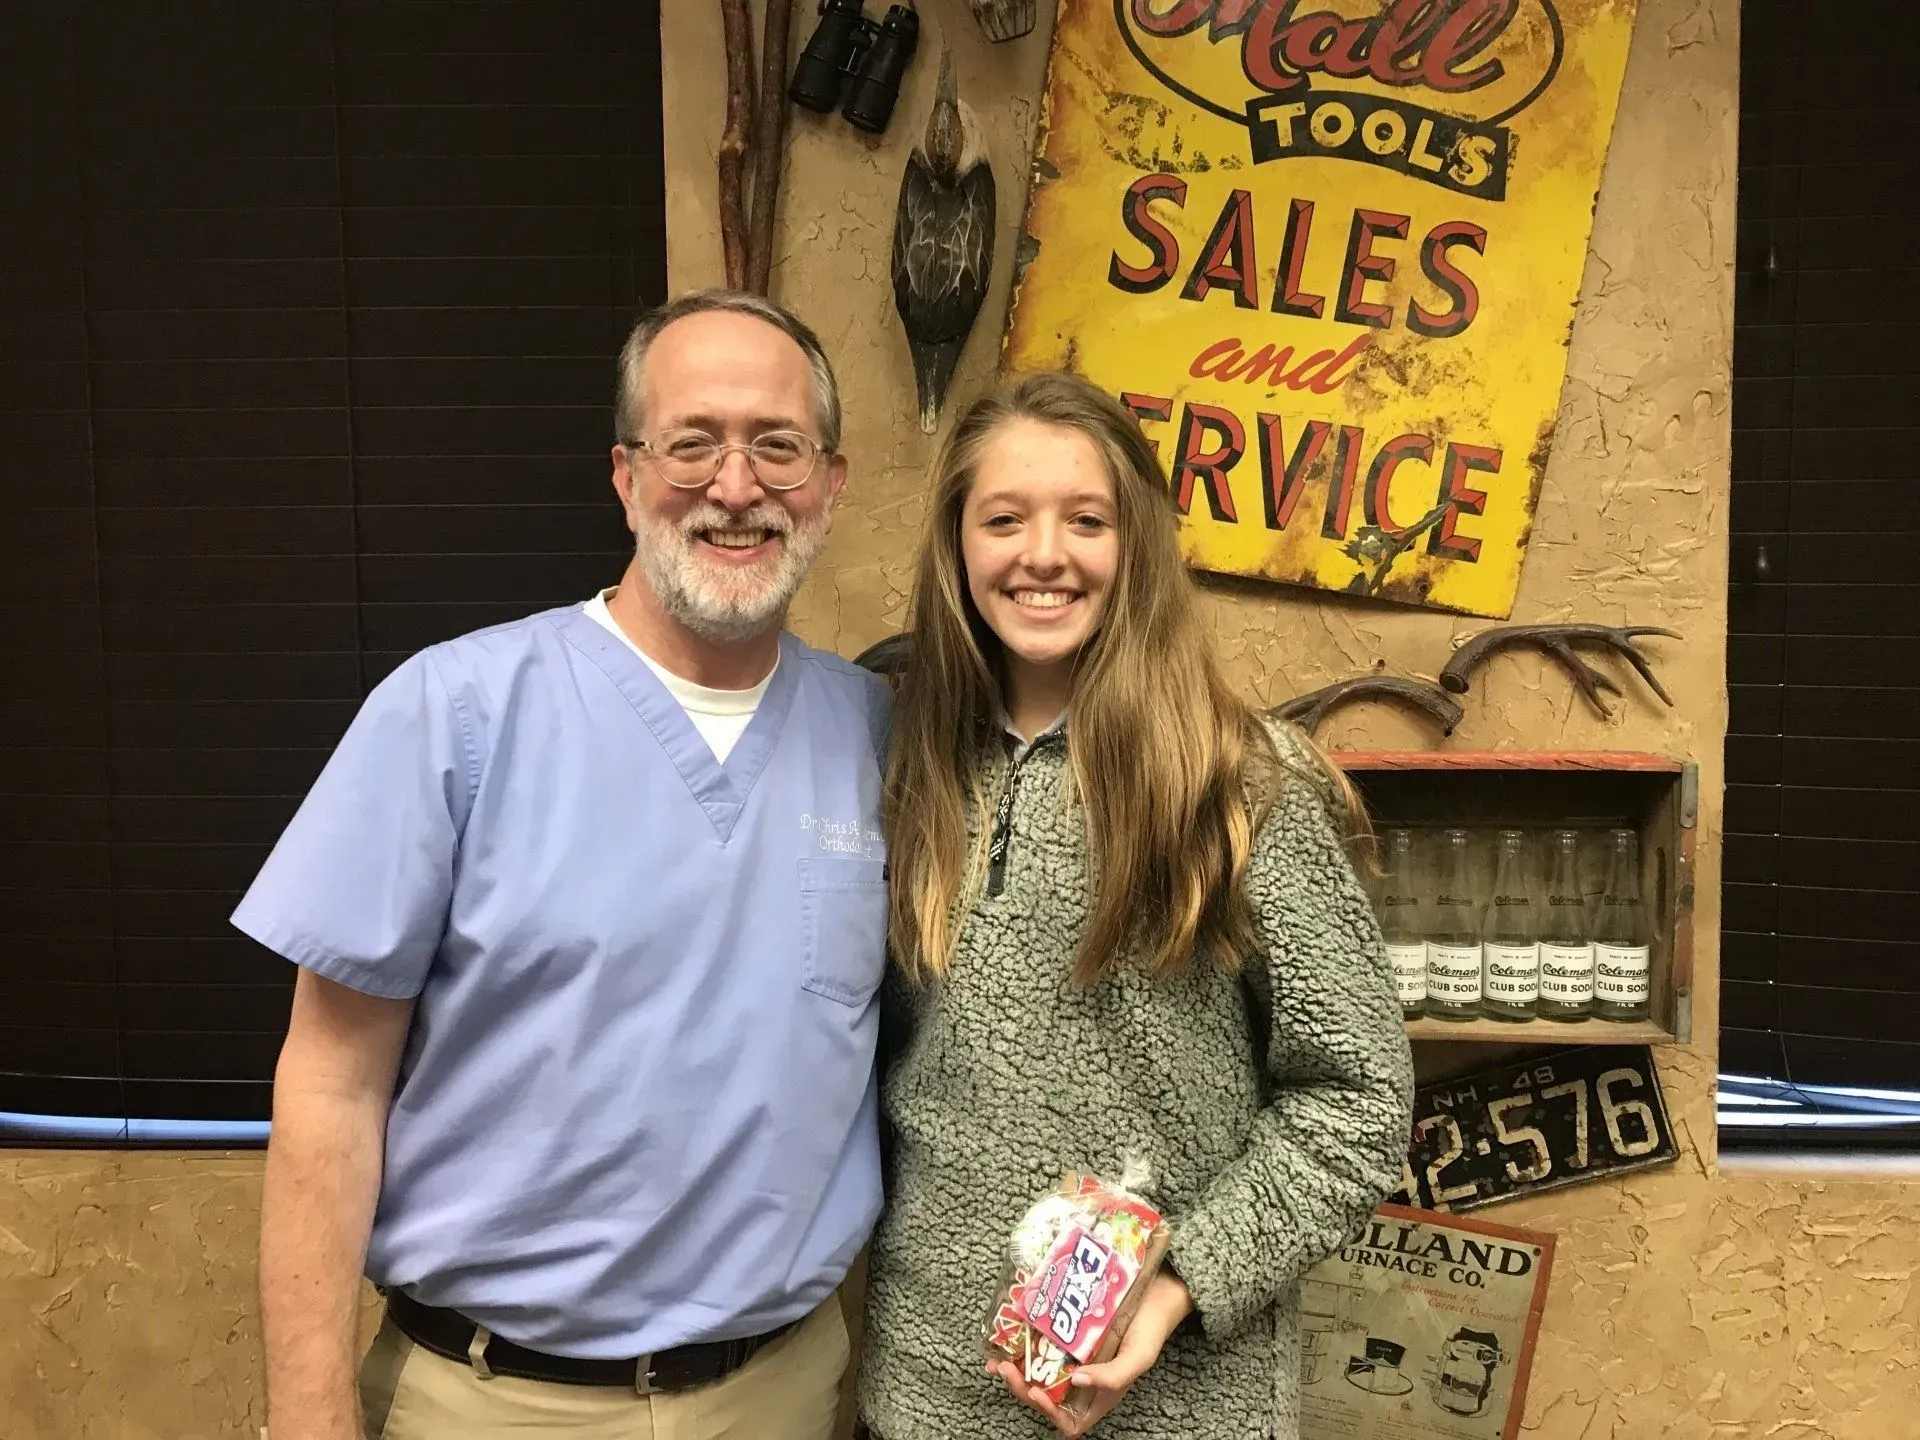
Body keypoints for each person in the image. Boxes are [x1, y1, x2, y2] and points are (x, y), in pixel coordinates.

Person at [237, 289, 890, 1440]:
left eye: (777, 448)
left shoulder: (880, 738)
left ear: (830, 485)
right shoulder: (457, 714)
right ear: (629, 476)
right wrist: (308, 1418)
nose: (736, 489)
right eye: (692, 443)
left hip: (783, 1393)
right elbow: (330, 1087)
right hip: (489, 1401)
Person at [857, 373, 1416, 1440]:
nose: (1043, 554)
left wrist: (1181, 1287)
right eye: (1005, 518)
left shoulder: (1242, 784)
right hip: (925, 1398)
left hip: (1176, 1407)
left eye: (1087, 519)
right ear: (957, 545)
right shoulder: (904, 772)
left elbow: (1358, 1108)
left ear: (1138, 544)